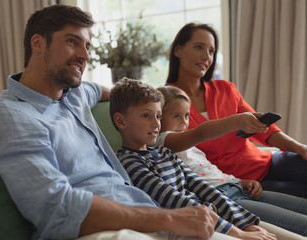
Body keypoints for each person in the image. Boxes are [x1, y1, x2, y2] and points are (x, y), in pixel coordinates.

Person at [0, 4, 246, 240]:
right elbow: (55, 207)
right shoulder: (11, 116)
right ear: (38, 43)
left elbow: (111, 91)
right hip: (99, 230)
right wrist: (170, 219)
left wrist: (149, 98)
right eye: (72, 41)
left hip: (145, 215)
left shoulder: (75, 94)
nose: (84, 54)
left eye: (87, 45)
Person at [110, 78, 278, 240]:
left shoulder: (164, 152)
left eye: (159, 116)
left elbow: (201, 185)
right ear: (121, 121)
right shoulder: (129, 162)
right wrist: (238, 233)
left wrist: (245, 224)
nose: (156, 124)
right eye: (146, 116)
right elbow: (175, 201)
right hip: (193, 224)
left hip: (213, 216)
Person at [165, 22, 307, 198]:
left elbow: (263, 129)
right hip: (242, 184)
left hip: (267, 162)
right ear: (178, 50)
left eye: (211, 51)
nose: (206, 57)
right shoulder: (168, 103)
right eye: (199, 47)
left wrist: (299, 148)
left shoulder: (225, 89)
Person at [156, 85, 307, 236]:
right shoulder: (161, 141)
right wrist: (236, 121)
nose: (183, 122)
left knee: (302, 205)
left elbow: (210, 172)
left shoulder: (192, 149)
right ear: (159, 117)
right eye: (176, 116)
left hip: (236, 187)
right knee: (301, 224)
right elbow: (201, 133)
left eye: (187, 116)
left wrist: (240, 181)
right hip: (224, 198)